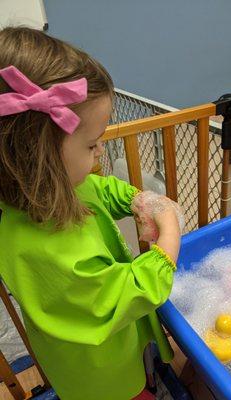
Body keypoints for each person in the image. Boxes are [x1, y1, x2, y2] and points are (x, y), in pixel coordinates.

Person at [0, 27, 181, 400]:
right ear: (39, 155)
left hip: (112, 349)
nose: (101, 154)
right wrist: (170, 229)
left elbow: (100, 189)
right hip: (97, 374)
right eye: (93, 144)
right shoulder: (44, 252)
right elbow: (134, 292)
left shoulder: (52, 186)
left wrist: (139, 200)